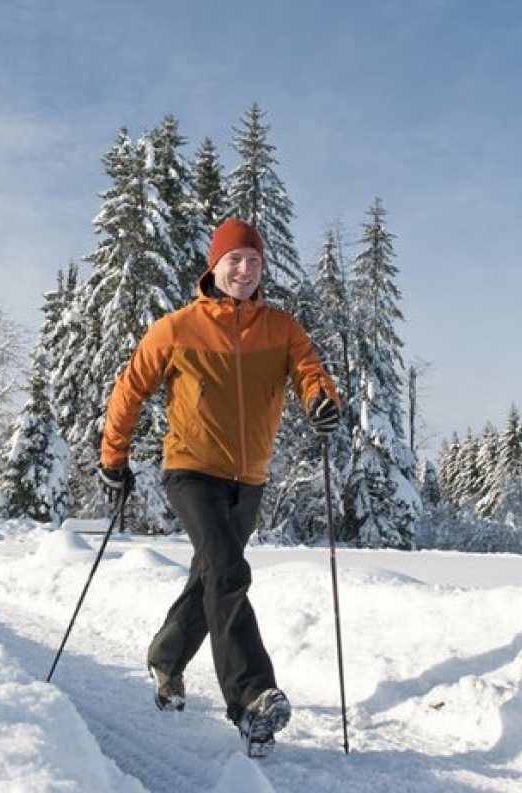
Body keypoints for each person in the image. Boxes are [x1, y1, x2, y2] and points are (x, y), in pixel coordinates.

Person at [98, 217, 340, 757]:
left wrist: (322, 400)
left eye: (254, 261)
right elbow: (131, 387)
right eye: (235, 260)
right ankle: (252, 698)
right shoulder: (178, 328)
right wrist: (112, 457)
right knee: (228, 572)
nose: (245, 270)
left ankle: (167, 657)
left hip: (248, 478)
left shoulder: (280, 328)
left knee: (211, 573)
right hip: (191, 470)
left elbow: (309, 370)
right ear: (215, 264)